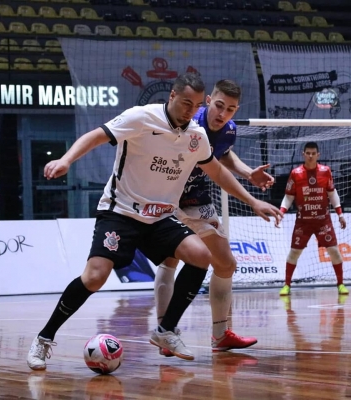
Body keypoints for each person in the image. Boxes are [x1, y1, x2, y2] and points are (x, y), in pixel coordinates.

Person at [27, 73, 282, 370]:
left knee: (201, 255)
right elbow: (95, 136)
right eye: (186, 102)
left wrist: (253, 200)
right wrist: (66, 160)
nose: (190, 110)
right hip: (120, 212)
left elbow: (218, 172)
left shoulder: (196, 136)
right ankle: (44, 338)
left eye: (196, 104)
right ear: (171, 97)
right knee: (95, 277)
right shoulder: (140, 118)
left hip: (160, 216)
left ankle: (165, 331)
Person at [154, 79, 275, 356]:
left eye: (230, 109)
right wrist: (252, 199)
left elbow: (224, 154)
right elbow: (215, 168)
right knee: (170, 260)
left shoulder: (228, 130)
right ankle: (164, 332)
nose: (222, 114)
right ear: (209, 100)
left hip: (197, 197)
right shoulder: (191, 127)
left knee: (226, 263)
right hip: (168, 198)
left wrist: (247, 172)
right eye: (219, 106)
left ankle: (220, 335)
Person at [278, 141, 348, 296]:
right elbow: (289, 196)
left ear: (318, 155)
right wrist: (281, 212)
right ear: (303, 154)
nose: (310, 156)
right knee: (294, 253)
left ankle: (341, 284)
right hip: (303, 221)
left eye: (313, 153)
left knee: (334, 252)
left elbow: (332, 193)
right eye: (307, 153)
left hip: (323, 220)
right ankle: (287, 285)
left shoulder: (326, 171)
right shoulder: (296, 173)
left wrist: (340, 214)